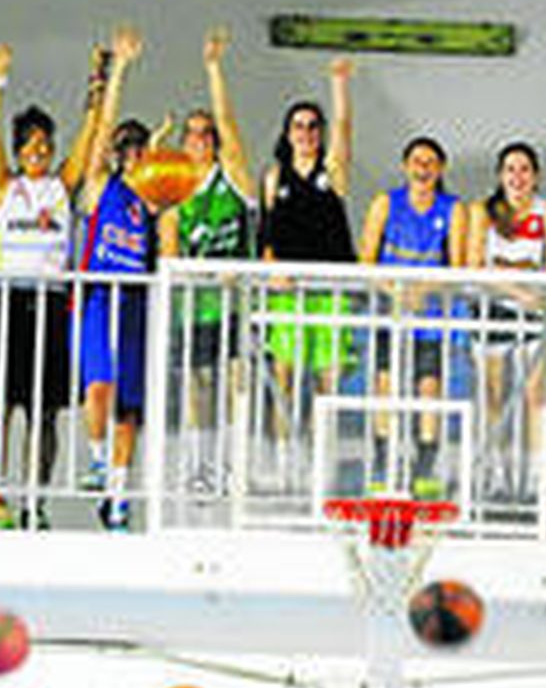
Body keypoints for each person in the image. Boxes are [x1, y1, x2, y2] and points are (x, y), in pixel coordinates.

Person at [0, 43, 102, 530]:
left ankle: (36, 500)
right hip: (6, 300)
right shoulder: (5, 185)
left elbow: (91, 134)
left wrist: (100, 81)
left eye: (45, 147)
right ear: (17, 150)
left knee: (44, 411)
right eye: (28, 147)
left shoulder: (60, 186)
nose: (38, 154)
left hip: (48, 306)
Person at [158, 26, 257, 496]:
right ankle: (200, 466)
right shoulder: (174, 188)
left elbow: (231, 124)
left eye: (205, 133)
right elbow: (168, 249)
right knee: (198, 388)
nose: (199, 139)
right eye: (191, 133)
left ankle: (234, 464)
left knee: (234, 384)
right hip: (193, 306)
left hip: (233, 304)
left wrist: (213, 68)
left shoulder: (232, 176)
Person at [258, 58, 356, 464]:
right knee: (283, 373)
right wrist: (271, 268)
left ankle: (321, 458)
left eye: (313, 126)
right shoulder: (274, 175)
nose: (305, 133)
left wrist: (338, 84)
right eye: (298, 126)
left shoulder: (331, 170)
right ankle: (283, 457)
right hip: (288, 287)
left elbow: (345, 128)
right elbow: (265, 232)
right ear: (287, 132)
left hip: (328, 288)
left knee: (325, 379)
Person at [358, 136, 467, 497]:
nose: (423, 169)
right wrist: (396, 291)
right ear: (406, 166)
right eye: (417, 162)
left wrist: (425, 290)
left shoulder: (452, 209)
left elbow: (461, 266)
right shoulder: (385, 203)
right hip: (390, 312)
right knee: (385, 384)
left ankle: (425, 466)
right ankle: (383, 460)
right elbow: (366, 261)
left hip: (432, 315)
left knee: (428, 389)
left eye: (430, 162)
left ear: (441, 169)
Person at [76, 24, 149, 529]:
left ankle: (119, 497)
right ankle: (98, 460)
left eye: (140, 147)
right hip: (103, 296)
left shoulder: (155, 196)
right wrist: (117, 70)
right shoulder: (103, 188)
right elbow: (100, 135)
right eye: (128, 147)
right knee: (98, 387)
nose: (133, 154)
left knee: (130, 409)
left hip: (141, 303)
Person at [467, 142, 546, 501]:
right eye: (510, 169)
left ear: (536, 175)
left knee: (533, 397)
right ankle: (495, 475)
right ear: (499, 175)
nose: (517, 177)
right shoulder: (483, 211)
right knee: (493, 397)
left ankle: (535, 478)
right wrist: (517, 286)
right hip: (491, 311)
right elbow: (473, 266)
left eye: (524, 169)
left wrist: (518, 281)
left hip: (534, 315)